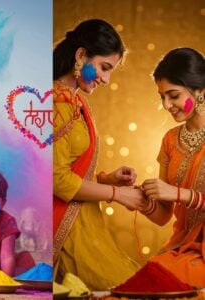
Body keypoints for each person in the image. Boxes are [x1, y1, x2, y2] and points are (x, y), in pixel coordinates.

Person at [53, 19, 148, 290]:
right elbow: (57, 181)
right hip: (68, 231)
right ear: (81, 55)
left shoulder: (76, 99)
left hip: (87, 224)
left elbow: (72, 171)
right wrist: (120, 196)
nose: (107, 79)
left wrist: (108, 180)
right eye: (104, 67)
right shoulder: (56, 102)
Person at [142, 47, 205, 287]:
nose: (166, 105)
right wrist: (140, 198)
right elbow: (163, 216)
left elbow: (174, 195)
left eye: (173, 95)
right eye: (162, 97)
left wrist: (179, 194)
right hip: (181, 248)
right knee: (147, 278)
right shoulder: (170, 140)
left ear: (200, 89)